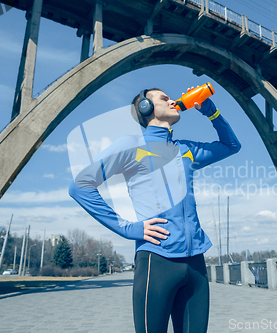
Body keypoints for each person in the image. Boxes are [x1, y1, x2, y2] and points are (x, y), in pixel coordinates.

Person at [69, 86, 241, 333]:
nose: (173, 101)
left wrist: (211, 112)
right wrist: (127, 228)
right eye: (164, 98)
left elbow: (231, 145)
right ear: (145, 108)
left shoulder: (186, 149)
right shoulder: (131, 146)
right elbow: (80, 186)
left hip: (195, 264)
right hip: (157, 260)